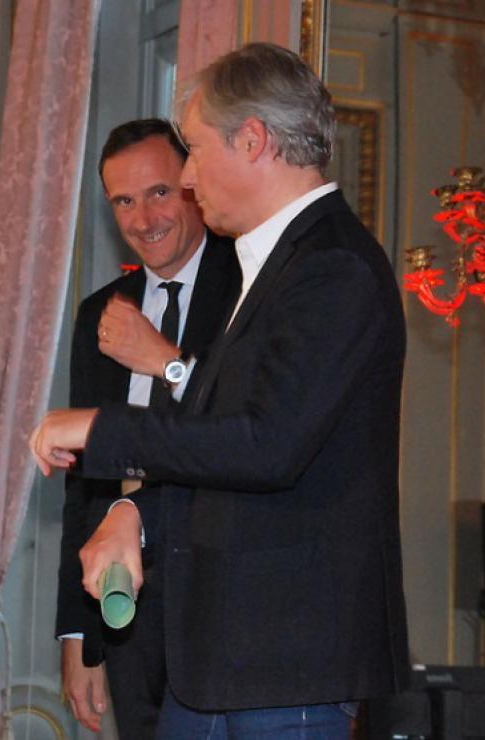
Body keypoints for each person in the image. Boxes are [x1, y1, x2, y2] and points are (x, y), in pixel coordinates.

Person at [31, 43, 409, 739]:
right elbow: (235, 458)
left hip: (288, 660)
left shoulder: (331, 268)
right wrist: (136, 517)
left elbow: (267, 447)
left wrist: (100, 429)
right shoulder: (275, 268)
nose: (187, 175)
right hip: (226, 661)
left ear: (255, 140)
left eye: (197, 152)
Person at [56, 119, 238, 738]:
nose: (142, 219)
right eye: (123, 201)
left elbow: (247, 434)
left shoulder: (249, 287)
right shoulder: (100, 314)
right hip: (122, 607)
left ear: (191, 184)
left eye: (158, 192)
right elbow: (85, 482)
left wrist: (161, 355)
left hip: (224, 604)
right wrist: (80, 635)